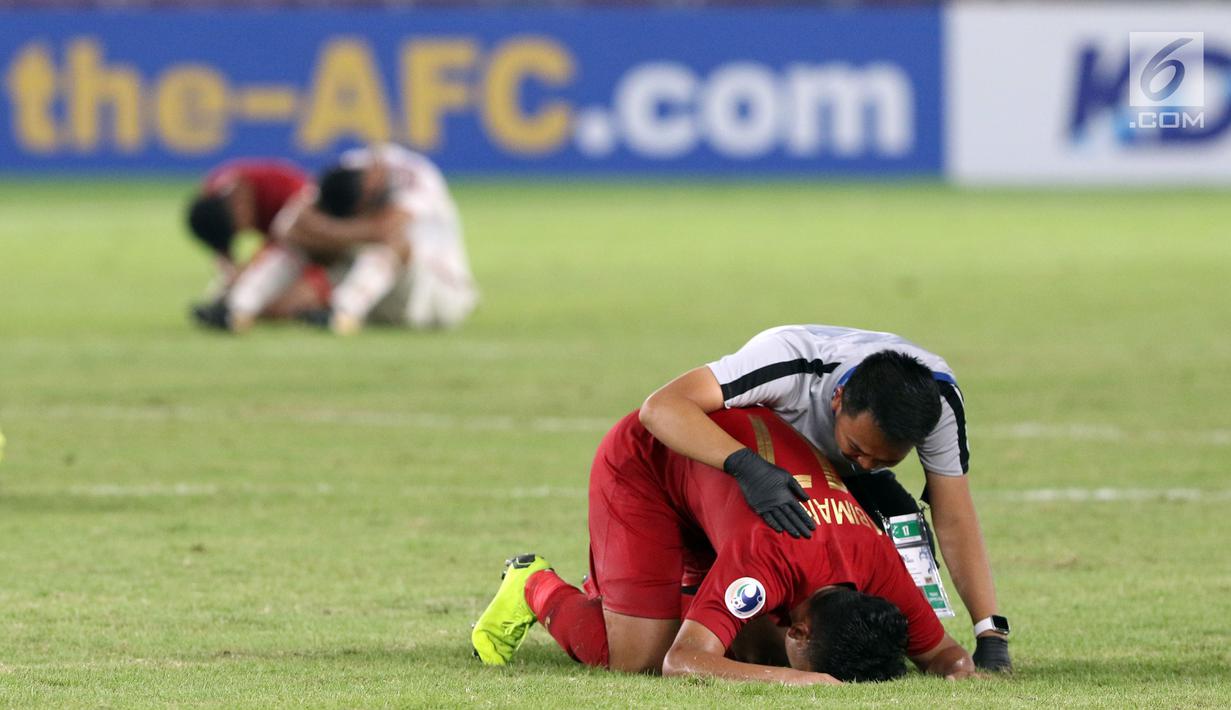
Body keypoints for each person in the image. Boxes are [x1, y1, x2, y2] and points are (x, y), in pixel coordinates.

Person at [471, 407, 976, 684]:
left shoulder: (880, 566)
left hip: (718, 495)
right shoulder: (765, 561)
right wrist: (800, 683)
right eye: (796, 654)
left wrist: (963, 674)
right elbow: (682, 661)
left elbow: (949, 658)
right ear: (799, 631)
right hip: (650, 462)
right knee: (636, 657)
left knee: (747, 645)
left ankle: (626, 596)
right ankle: (531, 583)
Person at [638, 324, 1012, 671]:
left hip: (835, 478)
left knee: (901, 534)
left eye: (884, 459)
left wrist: (989, 633)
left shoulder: (937, 402)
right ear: (837, 399)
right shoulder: (786, 364)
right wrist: (744, 466)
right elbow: (662, 407)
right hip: (748, 468)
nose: (866, 463)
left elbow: (954, 514)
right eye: (857, 447)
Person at [204, 144, 478, 335]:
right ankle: (237, 308)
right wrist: (341, 236)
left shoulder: (414, 176)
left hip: (438, 295)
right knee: (298, 246)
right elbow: (287, 227)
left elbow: (389, 230)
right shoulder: (345, 171)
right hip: (378, 295)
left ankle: (343, 313)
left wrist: (326, 232)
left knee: (391, 244)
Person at [185, 159, 331, 323]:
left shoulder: (291, 193)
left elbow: (315, 248)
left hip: (313, 244)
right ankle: (232, 305)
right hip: (280, 242)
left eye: (237, 228)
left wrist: (317, 287)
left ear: (237, 204)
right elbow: (226, 254)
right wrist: (234, 275)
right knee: (248, 284)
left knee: (286, 294)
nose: (243, 231)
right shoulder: (213, 206)